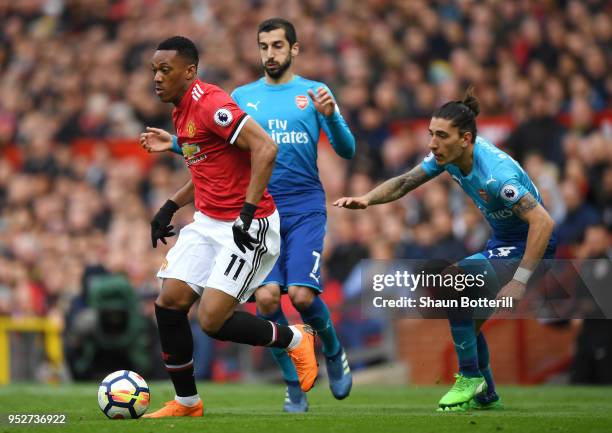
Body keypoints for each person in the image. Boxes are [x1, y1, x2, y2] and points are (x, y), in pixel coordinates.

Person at [143, 19, 355, 412]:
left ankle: (296, 339)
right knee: (169, 300)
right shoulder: (180, 109)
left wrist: (245, 213)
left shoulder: (211, 103)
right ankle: (187, 401)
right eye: (154, 70)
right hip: (209, 221)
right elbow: (206, 167)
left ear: (189, 71)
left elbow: (266, 149)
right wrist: (170, 206)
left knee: (212, 321)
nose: (157, 78)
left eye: (165, 70)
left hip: (249, 225)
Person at [334, 88, 557, 411]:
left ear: (465, 139)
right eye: (430, 134)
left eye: (440, 136)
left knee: (453, 283)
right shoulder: (449, 158)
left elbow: (544, 223)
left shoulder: (496, 176)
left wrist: (521, 279)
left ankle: (469, 377)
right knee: (468, 318)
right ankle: (485, 392)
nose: (431, 144)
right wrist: (368, 199)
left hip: (532, 247)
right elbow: (405, 182)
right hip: (502, 243)